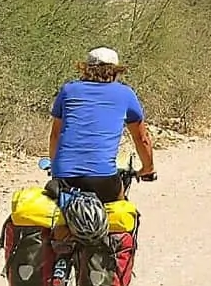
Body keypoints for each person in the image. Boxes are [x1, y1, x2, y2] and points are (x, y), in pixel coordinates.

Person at [48, 47, 156, 203]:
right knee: (119, 210)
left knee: (61, 215)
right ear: (115, 71)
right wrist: (148, 168)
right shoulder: (125, 94)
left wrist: (55, 165)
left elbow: (55, 136)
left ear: (86, 69)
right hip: (102, 177)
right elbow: (141, 138)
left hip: (64, 175)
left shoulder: (68, 90)